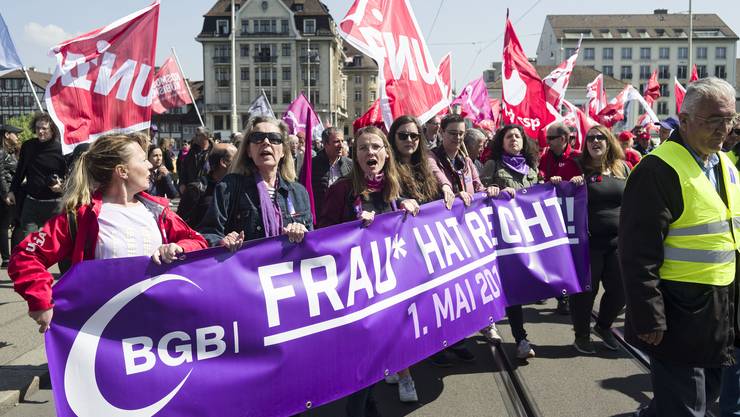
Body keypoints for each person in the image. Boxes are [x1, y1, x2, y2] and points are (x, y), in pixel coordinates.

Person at [620, 77, 739, 417]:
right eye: (713, 119)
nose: (724, 128)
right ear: (684, 120)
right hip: (677, 312)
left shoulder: (725, 165)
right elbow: (636, 253)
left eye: (729, 118)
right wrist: (648, 316)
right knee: (686, 409)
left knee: (704, 396)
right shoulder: (657, 169)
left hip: (721, 311)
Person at [8, 133, 208, 333]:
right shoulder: (81, 216)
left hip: (157, 328)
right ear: (122, 171)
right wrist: (41, 301)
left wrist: (179, 246)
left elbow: (197, 241)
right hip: (103, 333)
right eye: (142, 159)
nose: (149, 165)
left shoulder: (157, 211)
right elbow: (26, 256)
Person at [318, 125, 419, 417]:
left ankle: (371, 404)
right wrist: (352, 227)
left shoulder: (399, 186)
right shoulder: (341, 190)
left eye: (375, 147)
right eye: (363, 148)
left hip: (394, 282)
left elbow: (419, 224)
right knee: (365, 356)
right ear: (355, 155)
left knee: (382, 352)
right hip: (358, 287)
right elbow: (322, 234)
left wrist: (413, 207)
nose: (370, 152)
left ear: (386, 153)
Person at [428, 113, 503, 362]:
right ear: (442, 133)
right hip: (441, 233)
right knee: (442, 290)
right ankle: (437, 347)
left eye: (461, 134)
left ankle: (457, 338)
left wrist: (489, 191)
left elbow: (478, 186)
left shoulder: (466, 160)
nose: (457, 138)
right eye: (453, 133)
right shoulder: (432, 156)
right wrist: (449, 189)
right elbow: (437, 177)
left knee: (462, 286)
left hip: (465, 233)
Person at [198, 116, 312, 248]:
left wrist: (302, 232)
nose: (266, 142)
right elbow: (208, 232)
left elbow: (311, 239)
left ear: (283, 151)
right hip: (244, 267)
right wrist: (222, 241)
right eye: (258, 137)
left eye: (274, 138)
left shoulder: (299, 192)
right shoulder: (229, 186)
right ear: (248, 151)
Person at [479, 124, 541, 359]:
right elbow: (479, 192)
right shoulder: (493, 165)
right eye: (509, 136)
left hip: (526, 238)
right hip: (500, 238)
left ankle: (515, 334)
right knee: (505, 286)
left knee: (517, 288)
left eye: (517, 136)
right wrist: (491, 189)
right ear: (501, 142)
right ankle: (520, 338)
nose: (514, 139)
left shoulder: (532, 168)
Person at [570, 125, 628, 354]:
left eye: (600, 137)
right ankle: (581, 335)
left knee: (621, 290)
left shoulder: (623, 168)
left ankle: (603, 327)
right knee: (586, 293)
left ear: (609, 141)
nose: (595, 141)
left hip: (618, 242)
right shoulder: (578, 168)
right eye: (590, 138)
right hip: (589, 243)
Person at [7, 112, 67, 247]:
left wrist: (62, 186)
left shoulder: (62, 148)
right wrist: (12, 191)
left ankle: (67, 269)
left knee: (58, 244)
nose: (40, 131)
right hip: (31, 202)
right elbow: (20, 171)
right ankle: (30, 267)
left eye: (44, 128)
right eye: (38, 128)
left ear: (52, 128)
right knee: (28, 242)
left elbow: (70, 174)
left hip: (55, 204)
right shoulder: (28, 146)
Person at [177, 143, 237, 228]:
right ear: (223, 162)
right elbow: (180, 223)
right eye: (236, 158)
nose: (240, 162)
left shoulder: (238, 187)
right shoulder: (196, 189)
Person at [311, 127, 352, 216]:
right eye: (337, 142)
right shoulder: (312, 166)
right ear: (325, 144)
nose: (341, 145)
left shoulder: (350, 164)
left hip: (344, 219)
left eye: (342, 141)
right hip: (322, 219)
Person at [0, 125, 21, 266]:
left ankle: (10, 257)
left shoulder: (10, 152)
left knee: (15, 224)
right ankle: (7, 258)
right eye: (15, 134)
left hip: (12, 193)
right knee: (4, 225)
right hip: (6, 195)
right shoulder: (1, 152)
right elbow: (0, 175)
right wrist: (6, 193)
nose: (17, 136)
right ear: (7, 135)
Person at [179, 126, 212, 194]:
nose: (195, 137)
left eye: (197, 135)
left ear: (205, 136)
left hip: (208, 191)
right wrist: (182, 183)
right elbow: (184, 168)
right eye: (195, 135)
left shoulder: (214, 151)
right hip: (192, 189)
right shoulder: (192, 151)